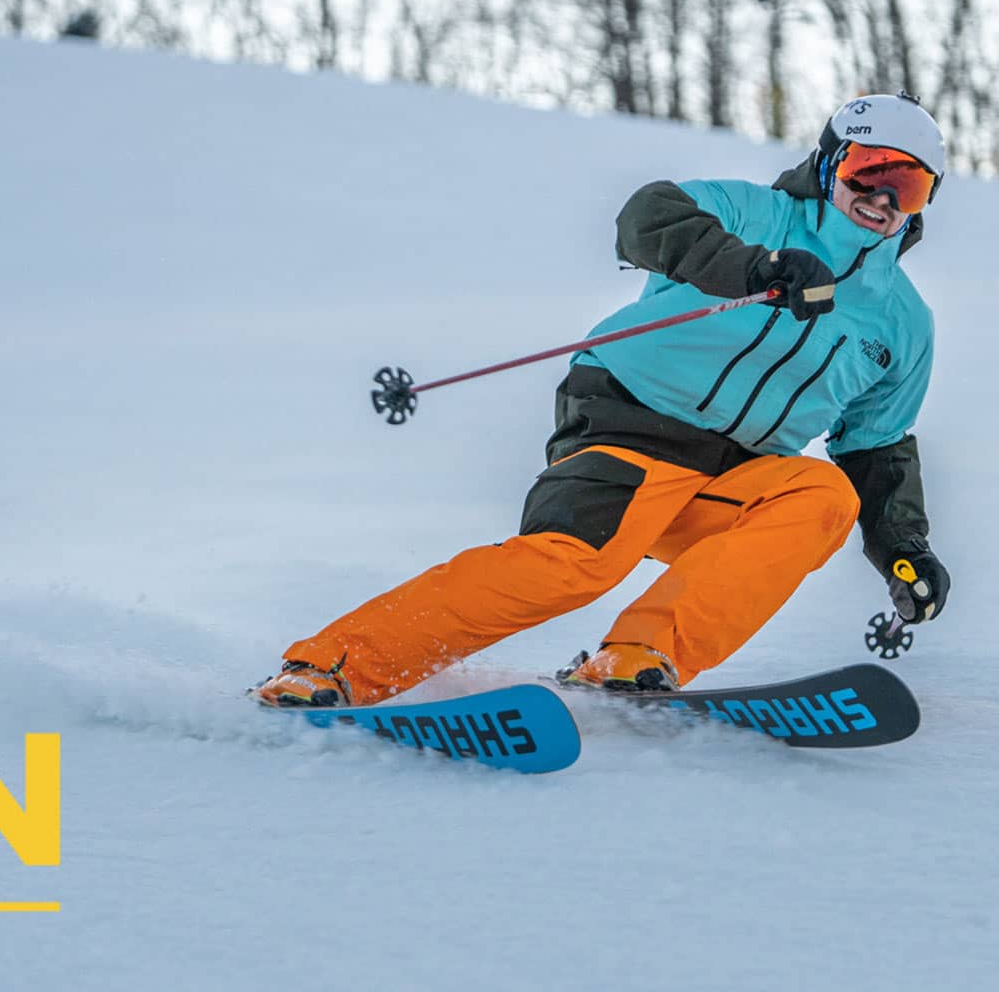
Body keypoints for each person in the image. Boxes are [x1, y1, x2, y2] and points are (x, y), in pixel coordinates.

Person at [254, 91, 953, 708]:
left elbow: (874, 444)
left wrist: (905, 551)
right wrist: (756, 267)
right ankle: (336, 665)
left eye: (910, 187)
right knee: (574, 563)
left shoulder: (902, 322)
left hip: (737, 476)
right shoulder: (754, 215)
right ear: (832, 164)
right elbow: (647, 216)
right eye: (870, 170)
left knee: (825, 496)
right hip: (632, 429)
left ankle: (641, 655)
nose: (883, 198)